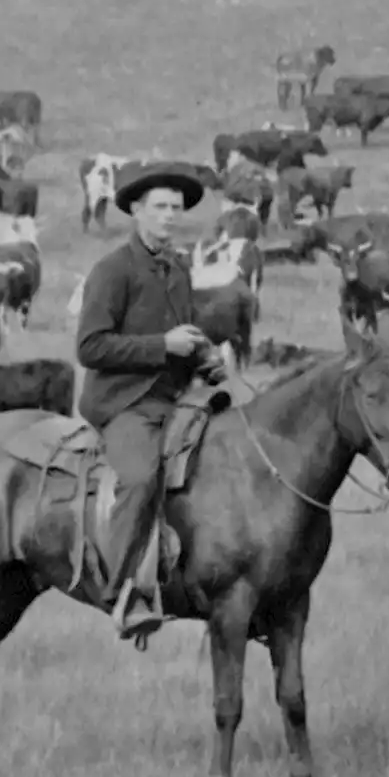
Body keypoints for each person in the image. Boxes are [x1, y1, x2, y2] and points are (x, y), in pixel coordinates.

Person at [76, 161, 227, 641]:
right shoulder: (112, 270)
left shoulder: (179, 268)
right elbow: (90, 346)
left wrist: (204, 360)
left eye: (176, 209)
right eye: (160, 207)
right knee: (141, 479)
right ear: (136, 211)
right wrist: (162, 346)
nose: (169, 216)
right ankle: (124, 592)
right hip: (124, 404)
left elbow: (183, 335)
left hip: (177, 401)